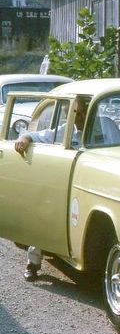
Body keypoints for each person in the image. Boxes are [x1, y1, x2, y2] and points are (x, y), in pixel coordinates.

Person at [15, 102, 88, 281]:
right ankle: (33, 262)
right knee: (43, 213)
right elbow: (38, 135)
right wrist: (25, 137)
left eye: (81, 113)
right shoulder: (65, 129)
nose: (78, 118)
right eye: (73, 113)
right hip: (67, 182)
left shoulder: (106, 126)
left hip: (91, 182)